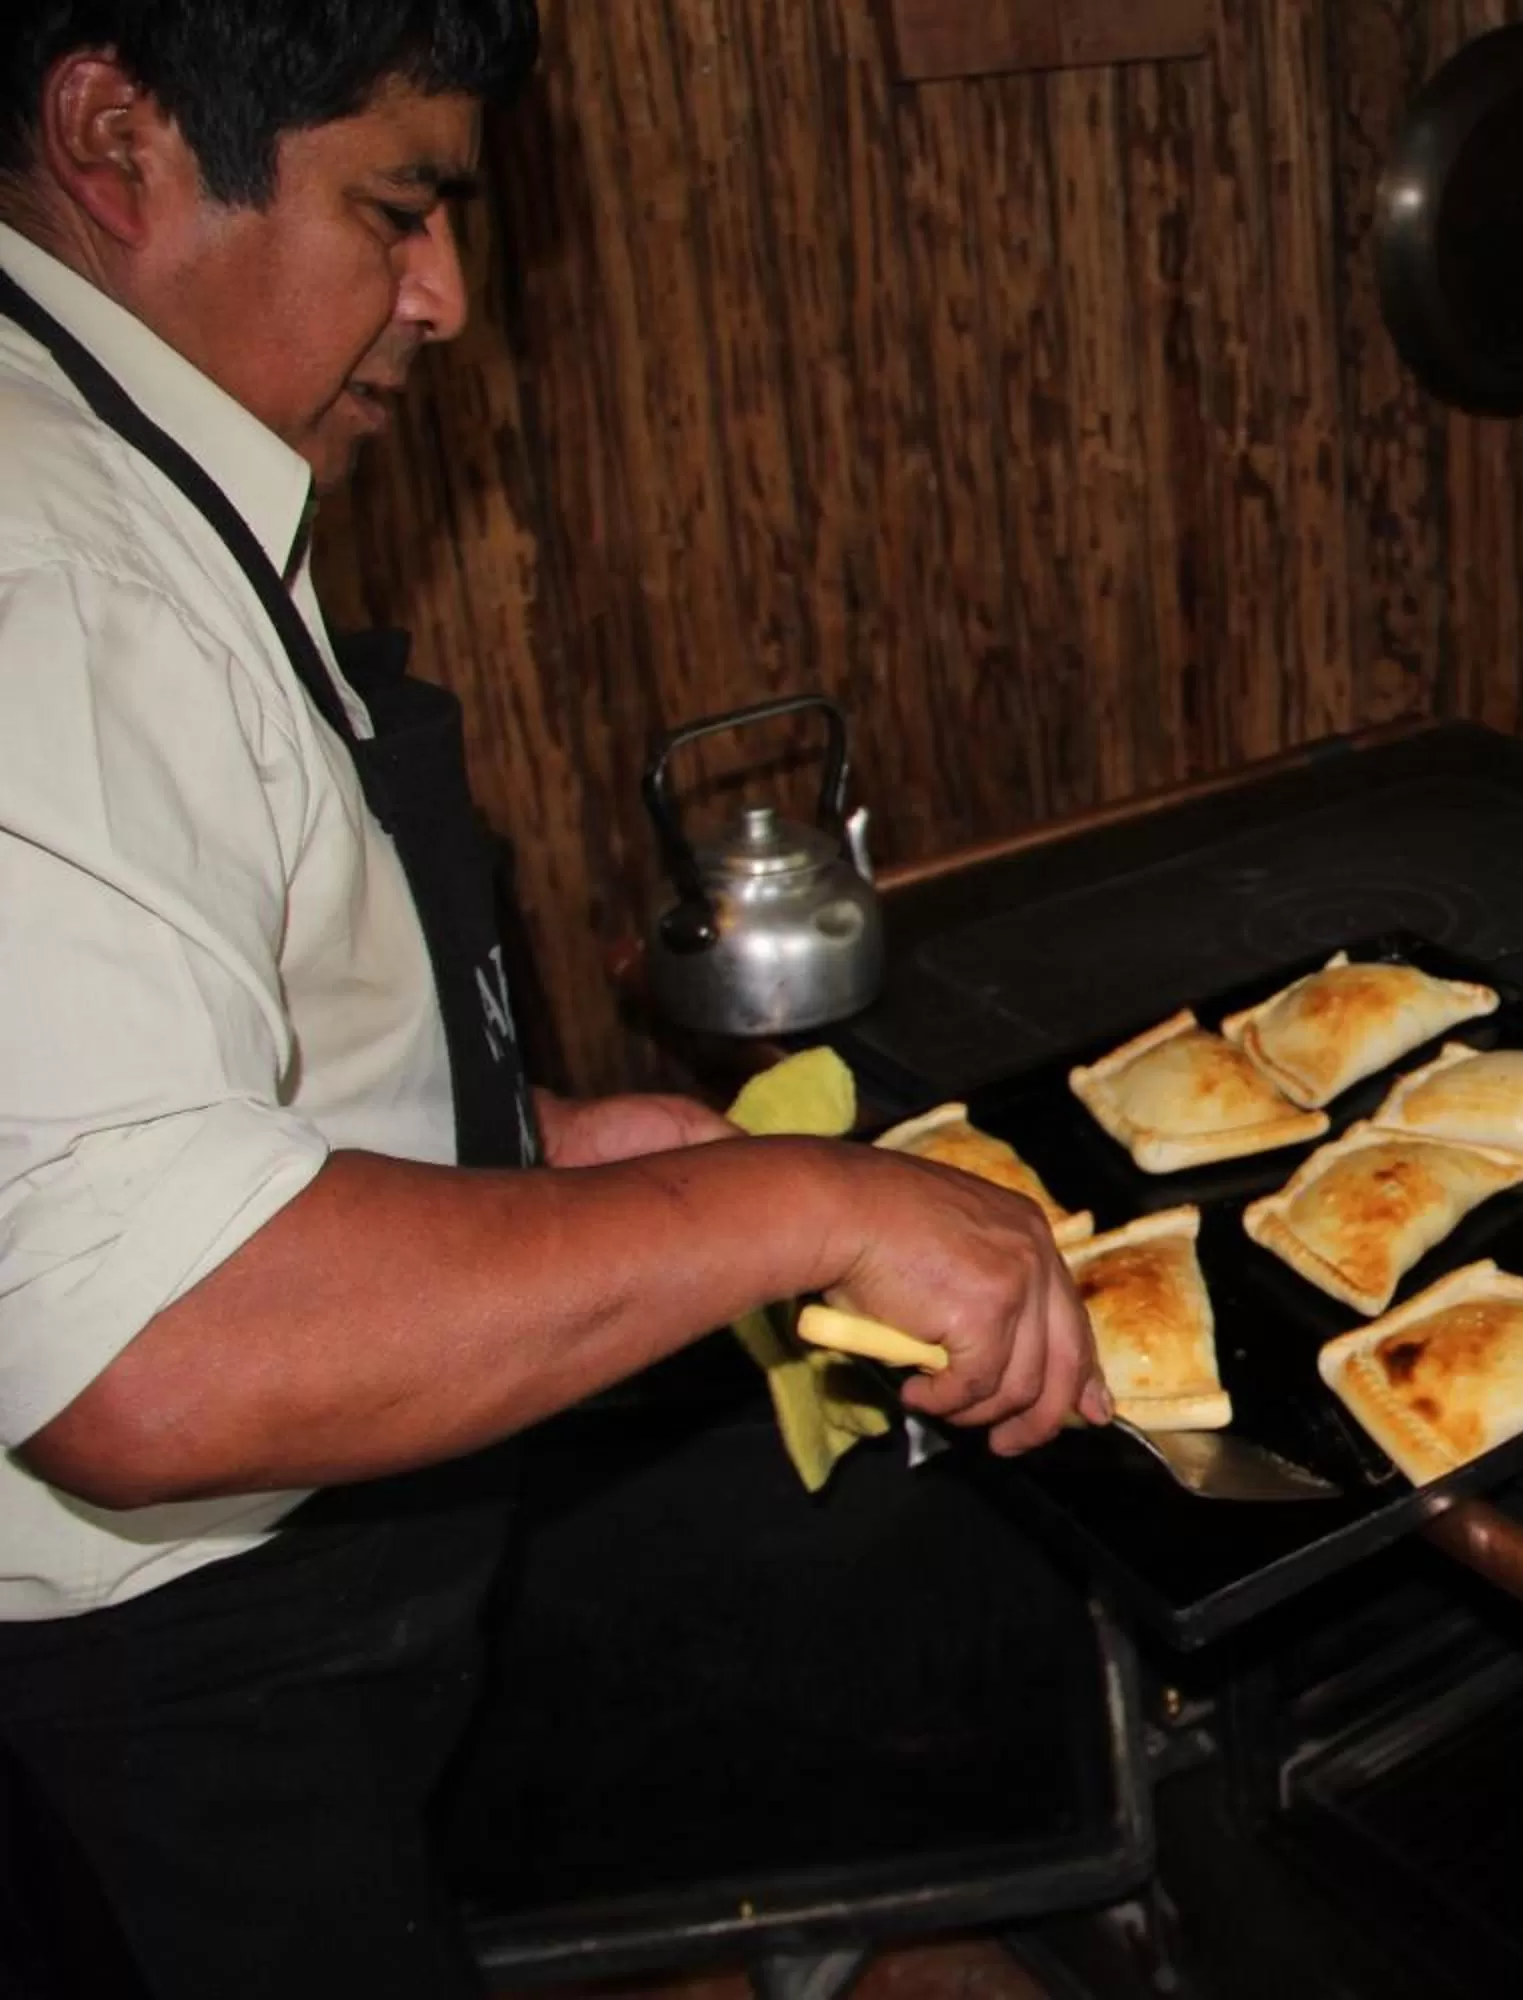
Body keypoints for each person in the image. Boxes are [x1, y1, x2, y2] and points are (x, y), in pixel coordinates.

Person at [0, 6, 1108, 1992]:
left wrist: (519, 1151)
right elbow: (146, 1351)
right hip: (160, 1715)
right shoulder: (43, 562)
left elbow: (154, 1060)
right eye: (395, 206)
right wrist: (803, 1203)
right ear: (116, 136)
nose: (441, 294)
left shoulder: (127, 463)